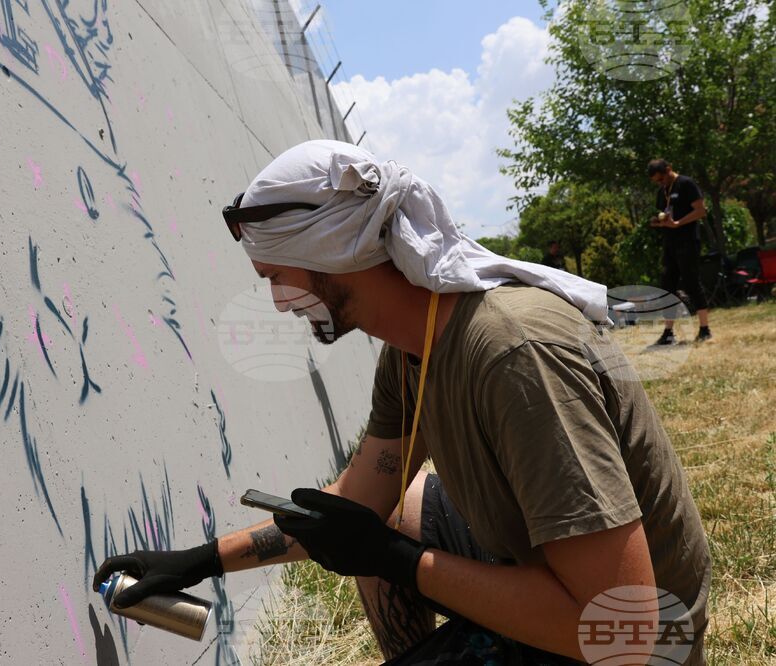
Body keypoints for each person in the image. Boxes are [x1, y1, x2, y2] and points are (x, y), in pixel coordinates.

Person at [94, 141, 711, 665]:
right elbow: (358, 506)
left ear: (333, 256)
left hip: (637, 638)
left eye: (277, 278)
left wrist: (401, 562)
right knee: (394, 513)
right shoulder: (412, 351)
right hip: (570, 590)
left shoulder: (511, 354)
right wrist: (200, 561)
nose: (280, 302)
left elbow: (625, 630)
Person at [647, 159, 712, 343]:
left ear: (669, 170)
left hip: (688, 242)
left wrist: (678, 223)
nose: (660, 183)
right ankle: (668, 333)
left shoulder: (686, 184)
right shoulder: (662, 192)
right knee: (667, 287)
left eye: (661, 179)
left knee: (691, 282)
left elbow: (701, 211)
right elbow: (665, 214)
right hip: (670, 244)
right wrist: (658, 222)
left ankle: (705, 328)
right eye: (656, 182)